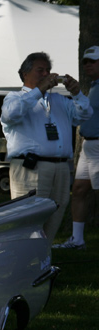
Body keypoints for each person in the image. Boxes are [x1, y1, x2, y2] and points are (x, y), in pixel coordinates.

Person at [1, 51, 92, 243]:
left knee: (53, 220)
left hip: (60, 167)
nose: (46, 74)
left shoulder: (58, 100)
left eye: (48, 70)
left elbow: (84, 115)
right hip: (31, 168)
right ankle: (23, 262)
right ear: (25, 74)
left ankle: (42, 260)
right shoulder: (15, 98)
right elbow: (11, 115)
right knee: (28, 221)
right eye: (40, 70)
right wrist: (38, 91)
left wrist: (77, 93)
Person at [62, 45, 99, 250]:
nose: (87, 65)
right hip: (88, 146)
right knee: (78, 190)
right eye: (85, 61)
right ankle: (77, 240)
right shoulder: (94, 85)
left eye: (92, 61)